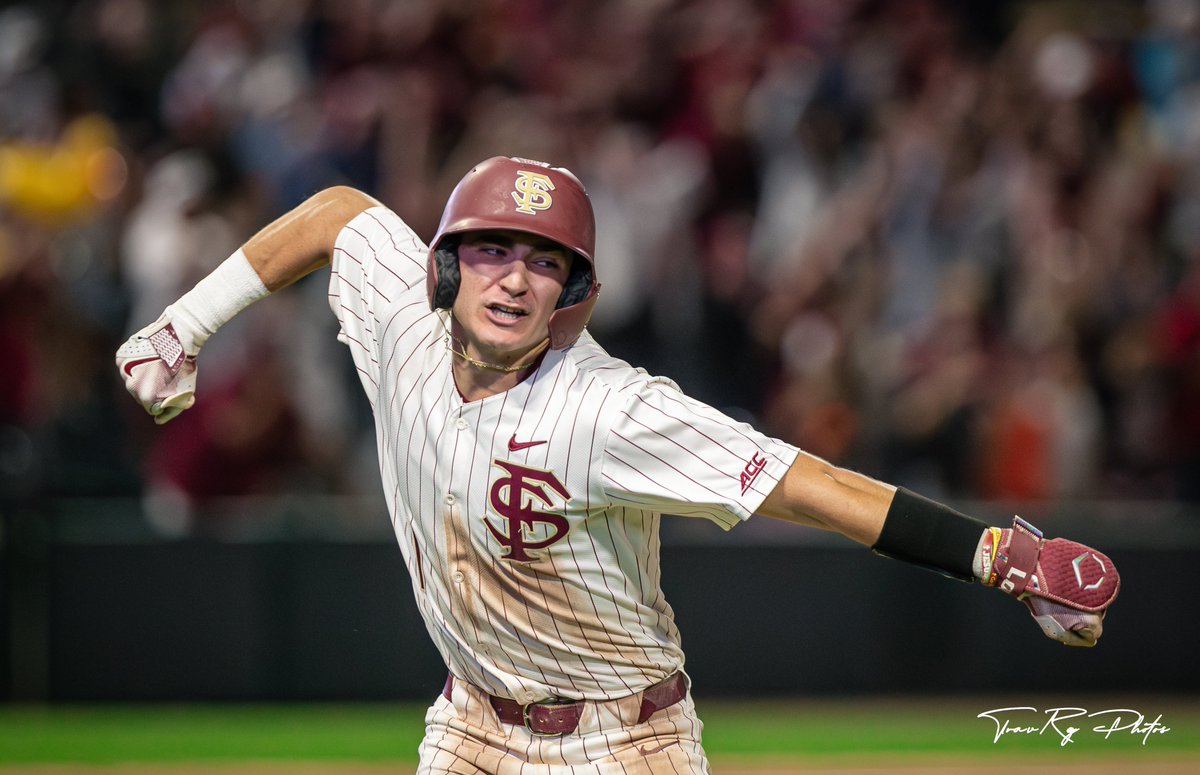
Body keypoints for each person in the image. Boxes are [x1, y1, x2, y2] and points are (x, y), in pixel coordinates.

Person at [116, 156, 1120, 774]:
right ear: (447, 264)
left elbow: (813, 485)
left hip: (620, 740)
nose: (515, 276)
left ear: (574, 293)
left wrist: (997, 555)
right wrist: (183, 324)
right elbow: (338, 211)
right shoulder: (398, 326)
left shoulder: (612, 410)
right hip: (470, 724)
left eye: (544, 260)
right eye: (495, 248)